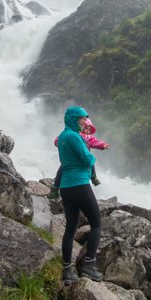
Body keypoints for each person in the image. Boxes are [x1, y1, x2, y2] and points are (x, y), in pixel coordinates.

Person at [56, 106, 103, 285]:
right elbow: (86, 159)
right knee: (97, 223)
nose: (84, 121)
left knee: (70, 227)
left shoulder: (62, 137)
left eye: (85, 118)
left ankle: (67, 271)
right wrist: (93, 159)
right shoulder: (74, 136)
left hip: (66, 187)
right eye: (82, 118)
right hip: (80, 184)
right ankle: (89, 266)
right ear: (73, 119)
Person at [49, 118, 109, 199]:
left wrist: (102, 145)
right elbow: (60, 139)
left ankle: (93, 177)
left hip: (82, 157)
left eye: (89, 129)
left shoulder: (88, 137)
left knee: (90, 161)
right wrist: (60, 143)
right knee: (63, 169)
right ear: (81, 126)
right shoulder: (73, 134)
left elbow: (95, 142)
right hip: (72, 158)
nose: (87, 131)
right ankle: (55, 188)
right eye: (86, 128)